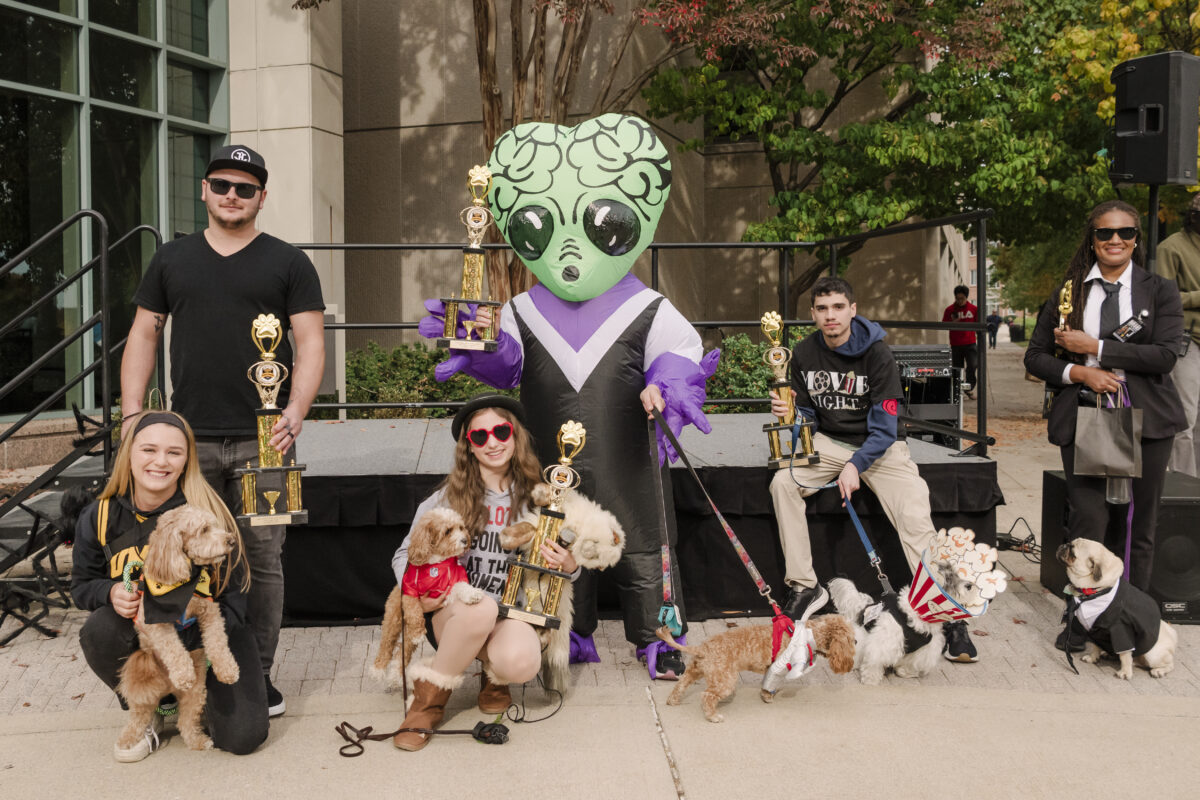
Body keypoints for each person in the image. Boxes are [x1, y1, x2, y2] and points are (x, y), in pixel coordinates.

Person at [424, 115, 719, 680]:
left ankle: (658, 635)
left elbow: (677, 353)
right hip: (546, 466)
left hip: (629, 460)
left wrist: (672, 385)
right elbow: (510, 362)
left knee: (643, 545)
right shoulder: (522, 309)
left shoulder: (649, 307)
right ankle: (566, 630)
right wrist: (479, 348)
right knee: (550, 541)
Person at [120, 144, 326, 717]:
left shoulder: (288, 261)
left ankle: (256, 676)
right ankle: (176, 672)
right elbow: (142, 335)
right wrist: (133, 415)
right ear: (205, 190)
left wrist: (297, 410)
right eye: (222, 185)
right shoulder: (171, 259)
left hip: (269, 442)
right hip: (186, 441)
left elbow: (309, 343)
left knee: (262, 560)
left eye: (245, 187)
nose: (231, 195)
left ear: (262, 196)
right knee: (173, 557)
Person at [768, 277, 979, 662]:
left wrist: (855, 465)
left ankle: (948, 615)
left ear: (852, 309)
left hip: (880, 447)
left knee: (915, 511)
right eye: (822, 309)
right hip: (831, 443)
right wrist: (792, 414)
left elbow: (884, 428)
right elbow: (811, 419)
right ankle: (804, 587)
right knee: (783, 483)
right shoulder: (801, 354)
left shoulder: (877, 354)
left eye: (837, 307)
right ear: (813, 314)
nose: (830, 316)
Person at [1024, 199, 1186, 651]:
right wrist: (1080, 371)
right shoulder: (1069, 292)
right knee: (1090, 519)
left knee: (1138, 523)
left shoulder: (1160, 291)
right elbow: (1035, 356)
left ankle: (1134, 620)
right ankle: (1084, 620)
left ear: (1137, 239)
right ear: (1091, 239)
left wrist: (1096, 346)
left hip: (1148, 419)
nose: (1115, 240)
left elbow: (1165, 355)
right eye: (1105, 233)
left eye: (1126, 233)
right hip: (1086, 417)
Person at [72, 410, 268, 762]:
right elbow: (82, 586)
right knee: (99, 629)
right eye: (149, 450)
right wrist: (109, 593)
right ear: (129, 453)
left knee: (243, 736)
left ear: (186, 461)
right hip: (145, 634)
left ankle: (198, 703)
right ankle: (153, 708)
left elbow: (236, 596)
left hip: (206, 633)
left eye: (173, 453)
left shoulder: (206, 512)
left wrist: (202, 646)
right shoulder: (98, 517)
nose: (160, 462)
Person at [389, 394, 578, 751]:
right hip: (455, 612)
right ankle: (426, 705)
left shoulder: (540, 498)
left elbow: (567, 564)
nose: (492, 442)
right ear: (469, 448)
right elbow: (403, 554)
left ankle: (494, 678)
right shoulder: (448, 498)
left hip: (513, 613)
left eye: (501, 431)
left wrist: (570, 566)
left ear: (515, 436)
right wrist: (416, 594)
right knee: (482, 607)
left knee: (520, 662)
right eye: (480, 437)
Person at [1156, 193, 1200, 477]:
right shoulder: (1170, 248)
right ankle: (1186, 487)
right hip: (1187, 340)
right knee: (1185, 419)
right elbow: (1162, 298)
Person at [943, 285, 979, 398]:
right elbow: (943, 325)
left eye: (962, 299)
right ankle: (957, 390)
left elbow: (979, 326)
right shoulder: (949, 310)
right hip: (956, 344)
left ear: (966, 297)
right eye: (957, 298)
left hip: (970, 343)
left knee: (972, 366)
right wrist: (952, 323)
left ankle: (969, 388)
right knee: (957, 369)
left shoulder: (974, 309)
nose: (959, 301)